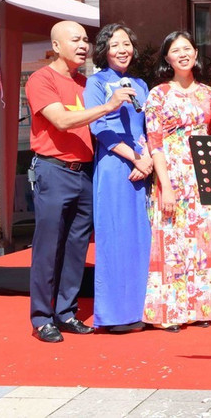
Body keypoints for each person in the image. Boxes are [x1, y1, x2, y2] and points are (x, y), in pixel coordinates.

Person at [26, 21, 129, 343]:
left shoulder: (86, 83)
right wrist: (108, 106)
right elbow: (60, 120)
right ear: (56, 46)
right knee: (48, 248)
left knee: (76, 247)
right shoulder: (41, 79)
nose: (83, 46)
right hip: (54, 171)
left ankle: (67, 312)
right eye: (75, 40)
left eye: (86, 40)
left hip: (85, 173)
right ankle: (42, 318)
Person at [142, 31, 211, 331]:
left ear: (196, 53)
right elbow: (155, 144)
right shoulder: (158, 94)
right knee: (172, 240)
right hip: (172, 173)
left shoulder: (209, 93)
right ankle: (171, 311)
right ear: (167, 58)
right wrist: (165, 186)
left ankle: (205, 307)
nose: (182, 54)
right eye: (175, 50)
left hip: (204, 172)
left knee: (205, 239)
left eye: (187, 49)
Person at [83, 23, 153, 333]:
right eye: (115, 45)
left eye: (126, 43)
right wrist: (134, 157)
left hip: (143, 165)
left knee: (142, 238)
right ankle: (115, 315)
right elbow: (99, 128)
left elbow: (150, 125)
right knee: (115, 237)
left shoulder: (140, 84)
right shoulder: (96, 83)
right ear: (104, 51)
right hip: (114, 166)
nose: (122, 49)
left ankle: (144, 310)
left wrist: (147, 158)